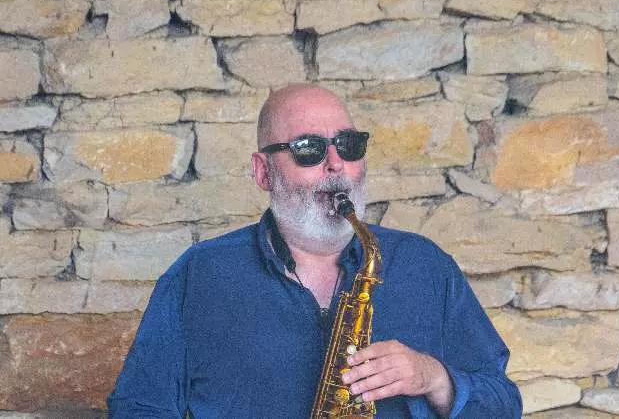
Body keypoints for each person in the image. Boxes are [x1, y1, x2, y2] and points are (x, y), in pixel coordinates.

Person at [107, 84, 522, 418]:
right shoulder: (200, 276)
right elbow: (138, 408)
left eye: (348, 145)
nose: (336, 164)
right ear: (263, 172)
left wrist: (434, 378)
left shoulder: (424, 265)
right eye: (309, 148)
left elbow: (504, 403)